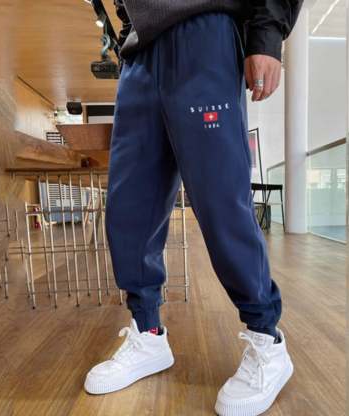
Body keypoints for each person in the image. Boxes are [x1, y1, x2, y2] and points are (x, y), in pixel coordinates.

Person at [85, 1, 303, 415]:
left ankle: (267, 341)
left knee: (222, 203)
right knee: (130, 205)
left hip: (205, 31)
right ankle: (148, 331)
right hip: (140, 50)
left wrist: (268, 35)